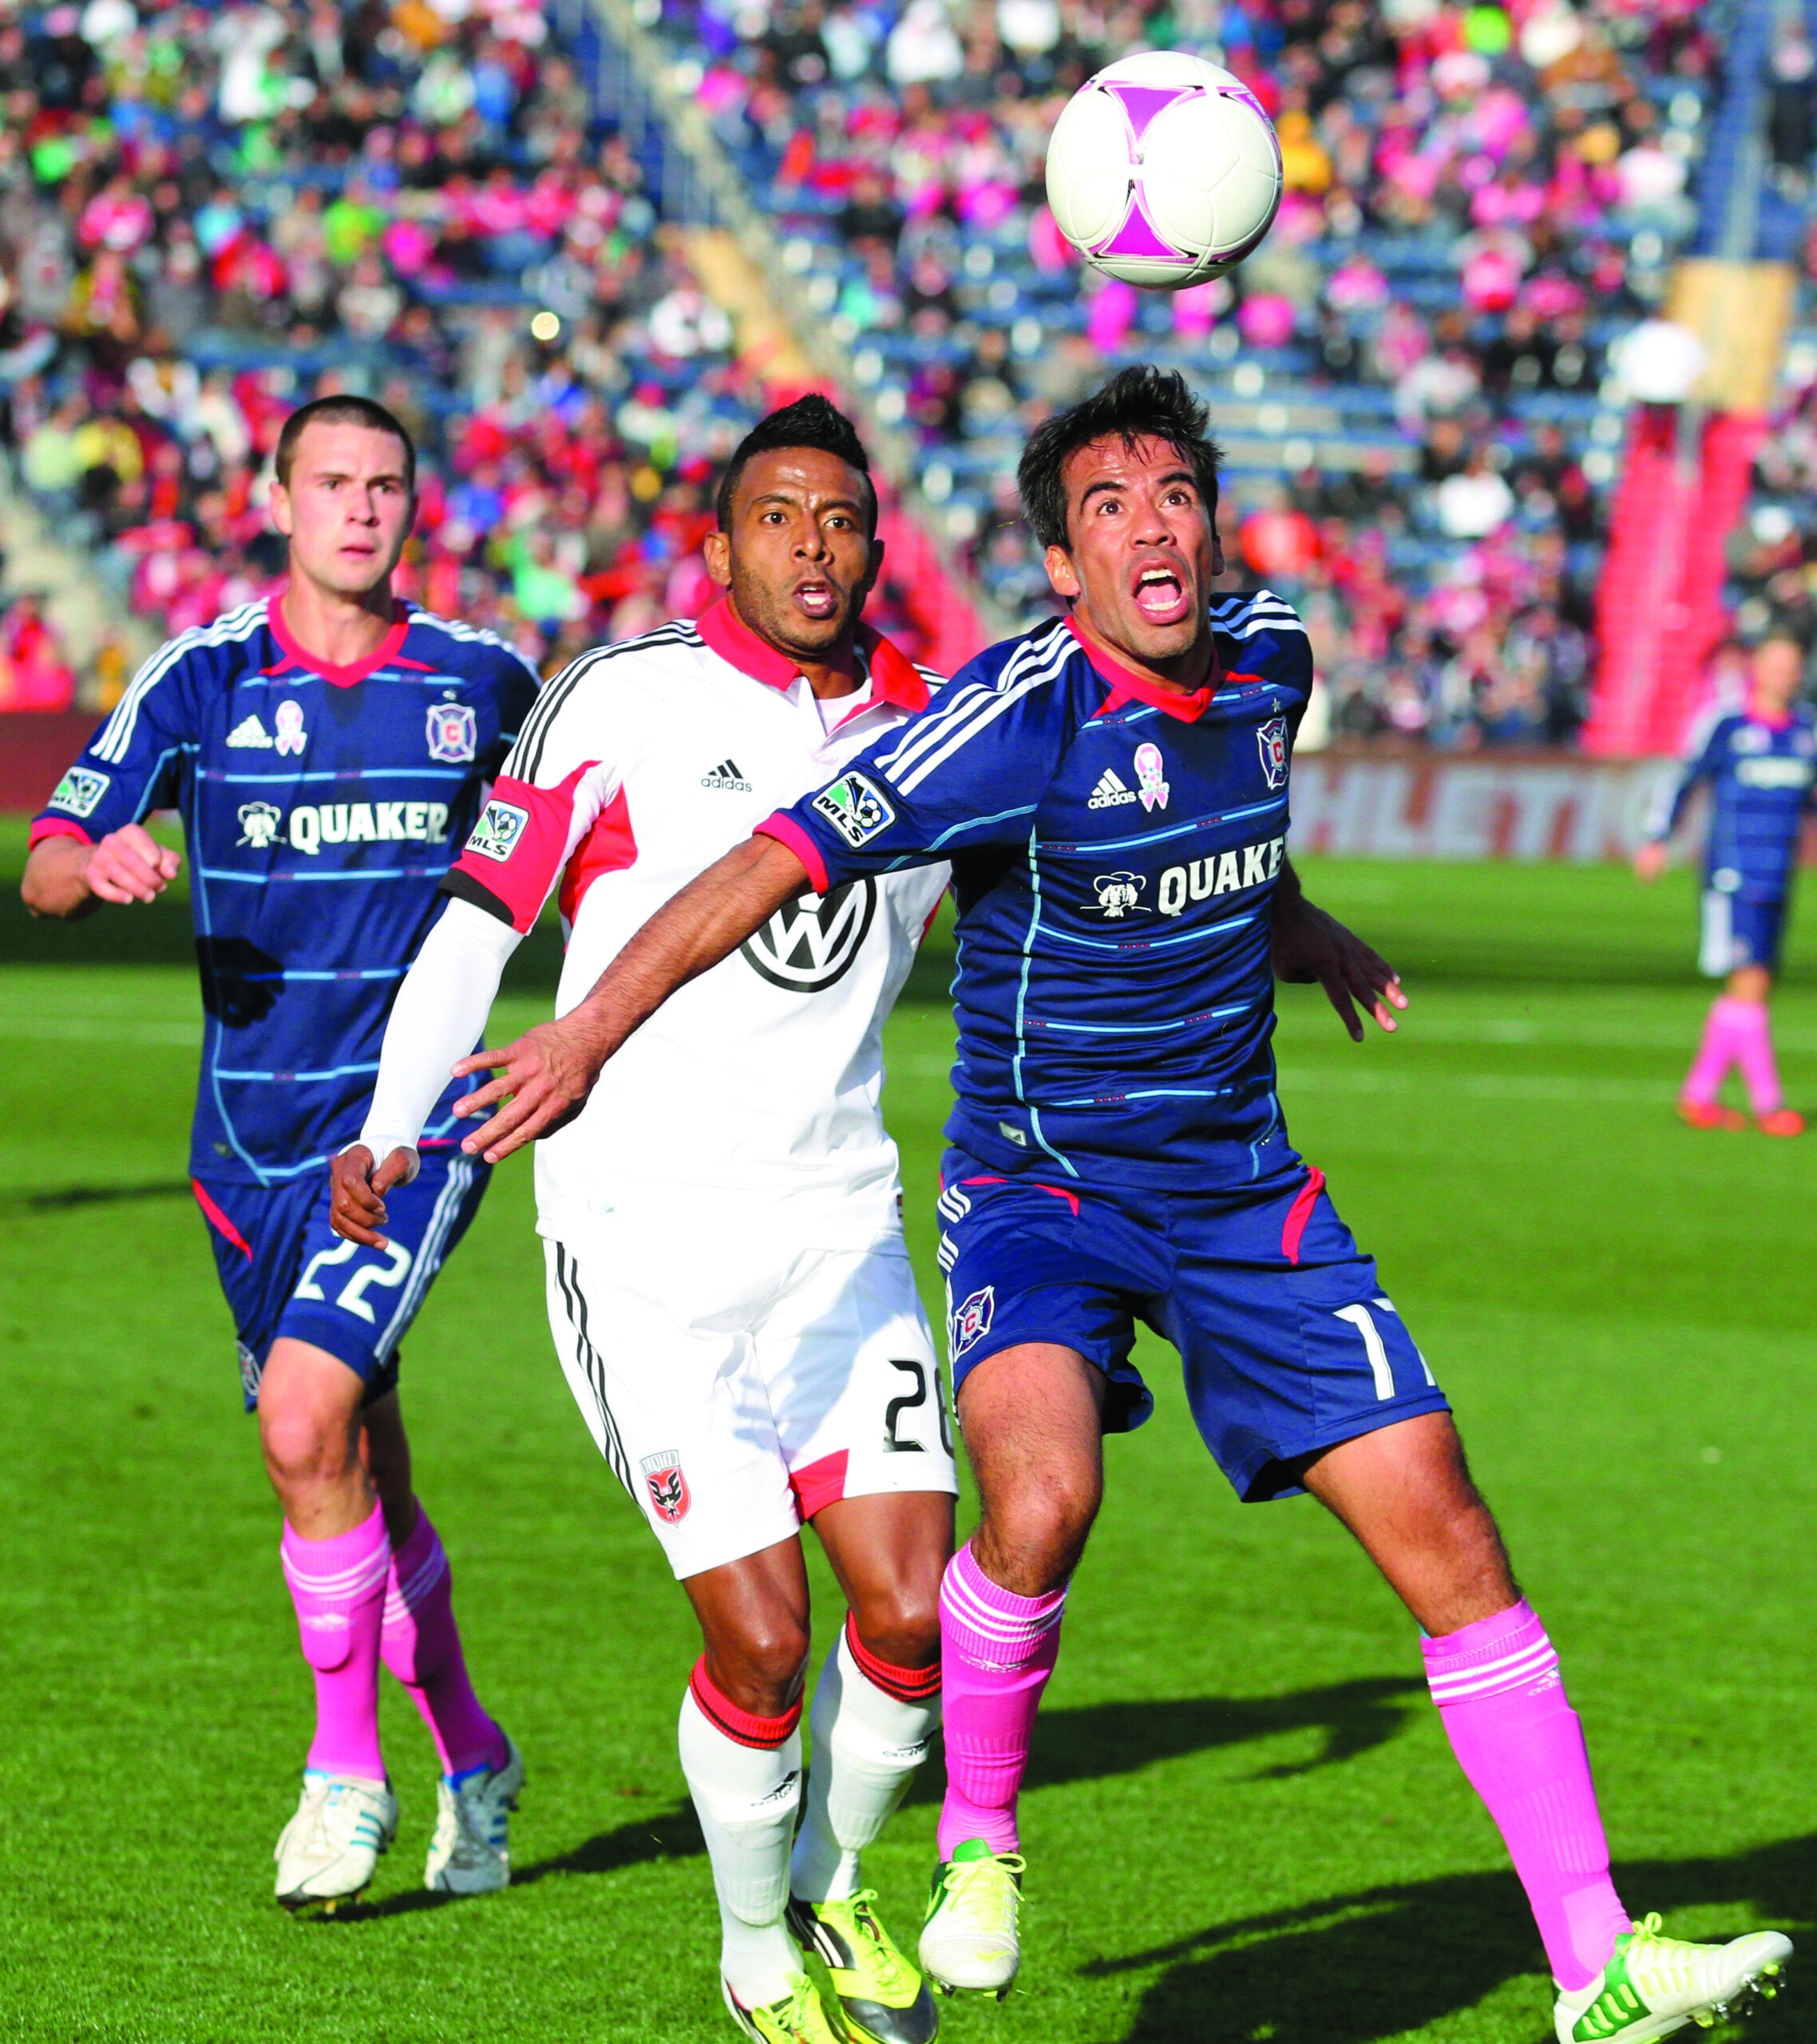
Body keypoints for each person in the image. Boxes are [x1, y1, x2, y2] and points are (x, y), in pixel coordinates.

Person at [439, 369, 1794, 2044]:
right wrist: (582, 1027)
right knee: (1040, 1494)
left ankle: (1594, 1960)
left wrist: (1302, 926)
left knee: (1443, 1518)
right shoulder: (1006, 715)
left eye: (1173, 495)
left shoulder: (1274, 656)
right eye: (1106, 506)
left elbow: (1243, 822)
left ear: (1210, 523)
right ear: (1059, 563)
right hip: (1040, 1188)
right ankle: (979, 1841)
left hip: (1238, 1183)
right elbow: (771, 862)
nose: (1150, 526)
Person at [331, 397, 958, 2044]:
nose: (812, 548)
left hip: (840, 1228)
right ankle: (760, 1958)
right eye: (779, 517)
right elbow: (482, 919)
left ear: (874, 542)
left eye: (840, 519)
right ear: (723, 539)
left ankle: (830, 1886)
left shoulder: (930, 719)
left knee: (908, 1610)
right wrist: (394, 1121)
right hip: (640, 1242)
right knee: (760, 1639)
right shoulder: (613, 699)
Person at [22, 395, 540, 1912]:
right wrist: (95, 860)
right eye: (334, 483)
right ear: (278, 496)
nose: (362, 510)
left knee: (306, 1423)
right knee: (354, 1461)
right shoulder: (203, 678)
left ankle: (343, 1773)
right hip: (246, 1142)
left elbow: (597, 830)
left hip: (408, 1130)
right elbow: (51, 858)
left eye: (387, 485)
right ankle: (475, 1754)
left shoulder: (482, 682)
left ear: (412, 506)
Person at [1637, 621, 1815, 1136]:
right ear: (1756, 669)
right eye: (1776, 664)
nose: (1785, 675)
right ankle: (1769, 1104)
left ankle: (1698, 1096)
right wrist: (1657, 838)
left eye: (1792, 666)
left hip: (1779, 878)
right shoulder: (1727, 726)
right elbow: (1683, 779)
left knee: (1752, 987)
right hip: (1733, 878)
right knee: (1750, 985)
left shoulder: (1806, 733)